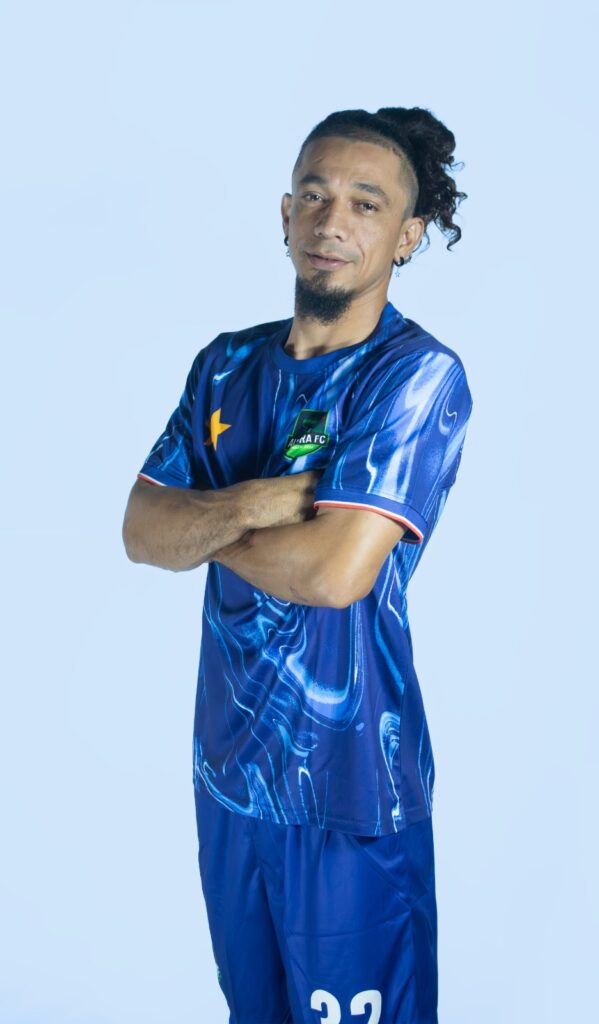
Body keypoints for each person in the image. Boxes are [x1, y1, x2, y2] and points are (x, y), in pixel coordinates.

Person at [122, 105, 473, 1024]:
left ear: (407, 236)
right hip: (229, 782)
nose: (332, 222)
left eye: (366, 203)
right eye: (314, 196)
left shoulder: (415, 377)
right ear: (284, 214)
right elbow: (141, 531)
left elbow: (332, 574)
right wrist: (259, 501)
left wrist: (203, 527)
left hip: (350, 792)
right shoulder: (225, 368)